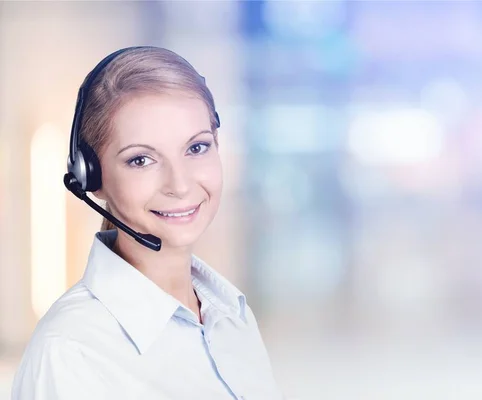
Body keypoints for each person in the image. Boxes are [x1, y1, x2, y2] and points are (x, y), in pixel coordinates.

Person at [11, 46, 283, 400]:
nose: (180, 184)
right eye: (141, 159)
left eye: (197, 148)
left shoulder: (231, 315)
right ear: (91, 176)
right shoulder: (70, 351)